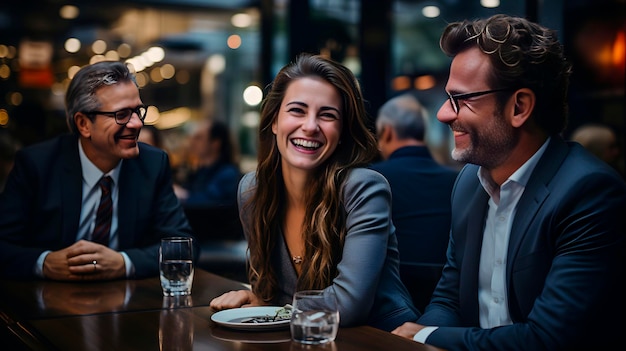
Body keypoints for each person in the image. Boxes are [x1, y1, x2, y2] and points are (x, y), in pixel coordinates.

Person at [391, 14, 626, 350]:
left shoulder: (590, 193)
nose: (444, 114)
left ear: (520, 107)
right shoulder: (469, 182)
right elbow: (449, 301)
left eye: (463, 99)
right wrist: (414, 343)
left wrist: (426, 335)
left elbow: (547, 339)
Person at [209, 53, 420, 332]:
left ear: (342, 131)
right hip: (302, 337)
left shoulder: (364, 187)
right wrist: (257, 298)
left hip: (380, 338)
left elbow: (348, 305)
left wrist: (270, 307)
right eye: (297, 110)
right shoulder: (252, 190)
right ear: (274, 121)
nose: (310, 126)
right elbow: (267, 290)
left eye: (327, 115)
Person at [0, 60, 195, 281]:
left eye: (138, 111)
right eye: (121, 114)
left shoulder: (152, 164)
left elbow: (183, 247)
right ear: (84, 124)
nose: (137, 124)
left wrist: (123, 262)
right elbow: (3, 245)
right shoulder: (37, 165)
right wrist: (44, 263)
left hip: (129, 304)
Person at [369, 92, 458, 311]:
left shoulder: (370, 180)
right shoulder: (458, 181)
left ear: (386, 132)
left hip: (386, 309)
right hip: (449, 306)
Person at [173, 119, 241, 207]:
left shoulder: (228, 173)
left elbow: (210, 202)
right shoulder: (200, 171)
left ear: (215, 143)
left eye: (199, 138)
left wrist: (183, 195)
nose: (192, 142)